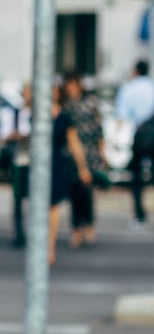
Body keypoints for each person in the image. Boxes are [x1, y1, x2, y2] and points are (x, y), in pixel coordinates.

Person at [115, 60, 154, 229]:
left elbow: (121, 116)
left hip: (140, 137)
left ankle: (140, 216)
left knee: (136, 178)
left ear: (135, 71)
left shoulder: (129, 89)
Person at [62, 71, 105, 248]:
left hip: (90, 154)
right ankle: (77, 230)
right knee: (75, 193)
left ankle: (88, 226)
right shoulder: (67, 106)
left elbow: (99, 129)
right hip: (72, 156)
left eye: (73, 84)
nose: (70, 88)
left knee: (87, 193)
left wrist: (102, 153)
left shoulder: (90, 103)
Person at [49, 83, 91, 266]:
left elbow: (74, 143)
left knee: (53, 207)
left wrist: (83, 168)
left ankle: (49, 247)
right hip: (38, 164)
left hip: (56, 164)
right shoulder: (35, 113)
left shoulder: (64, 117)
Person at [0, 83, 31, 247]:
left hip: (35, 162)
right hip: (19, 160)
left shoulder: (39, 113)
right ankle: (19, 233)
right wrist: (14, 136)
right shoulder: (14, 113)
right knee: (18, 198)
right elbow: (4, 135)